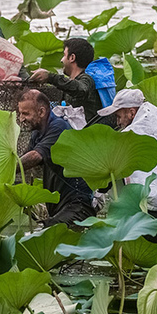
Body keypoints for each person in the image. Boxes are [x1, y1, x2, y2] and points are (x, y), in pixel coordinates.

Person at [96, 89, 157, 218]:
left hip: (152, 205)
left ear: (131, 112)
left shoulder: (131, 134)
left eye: (119, 117)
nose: (118, 122)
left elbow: (115, 169)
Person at [17, 89, 95, 226]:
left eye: (25, 113)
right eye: (20, 113)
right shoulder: (38, 132)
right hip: (59, 207)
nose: (21, 118)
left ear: (41, 112)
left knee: (47, 232)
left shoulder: (59, 127)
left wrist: (5, 168)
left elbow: (35, 156)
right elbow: (24, 158)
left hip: (78, 206)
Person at [30, 38, 102, 122]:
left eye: (64, 55)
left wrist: (50, 77)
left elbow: (81, 89)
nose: (61, 60)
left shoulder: (87, 79)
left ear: (72, 58)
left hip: (85, 131)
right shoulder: (68, 83)